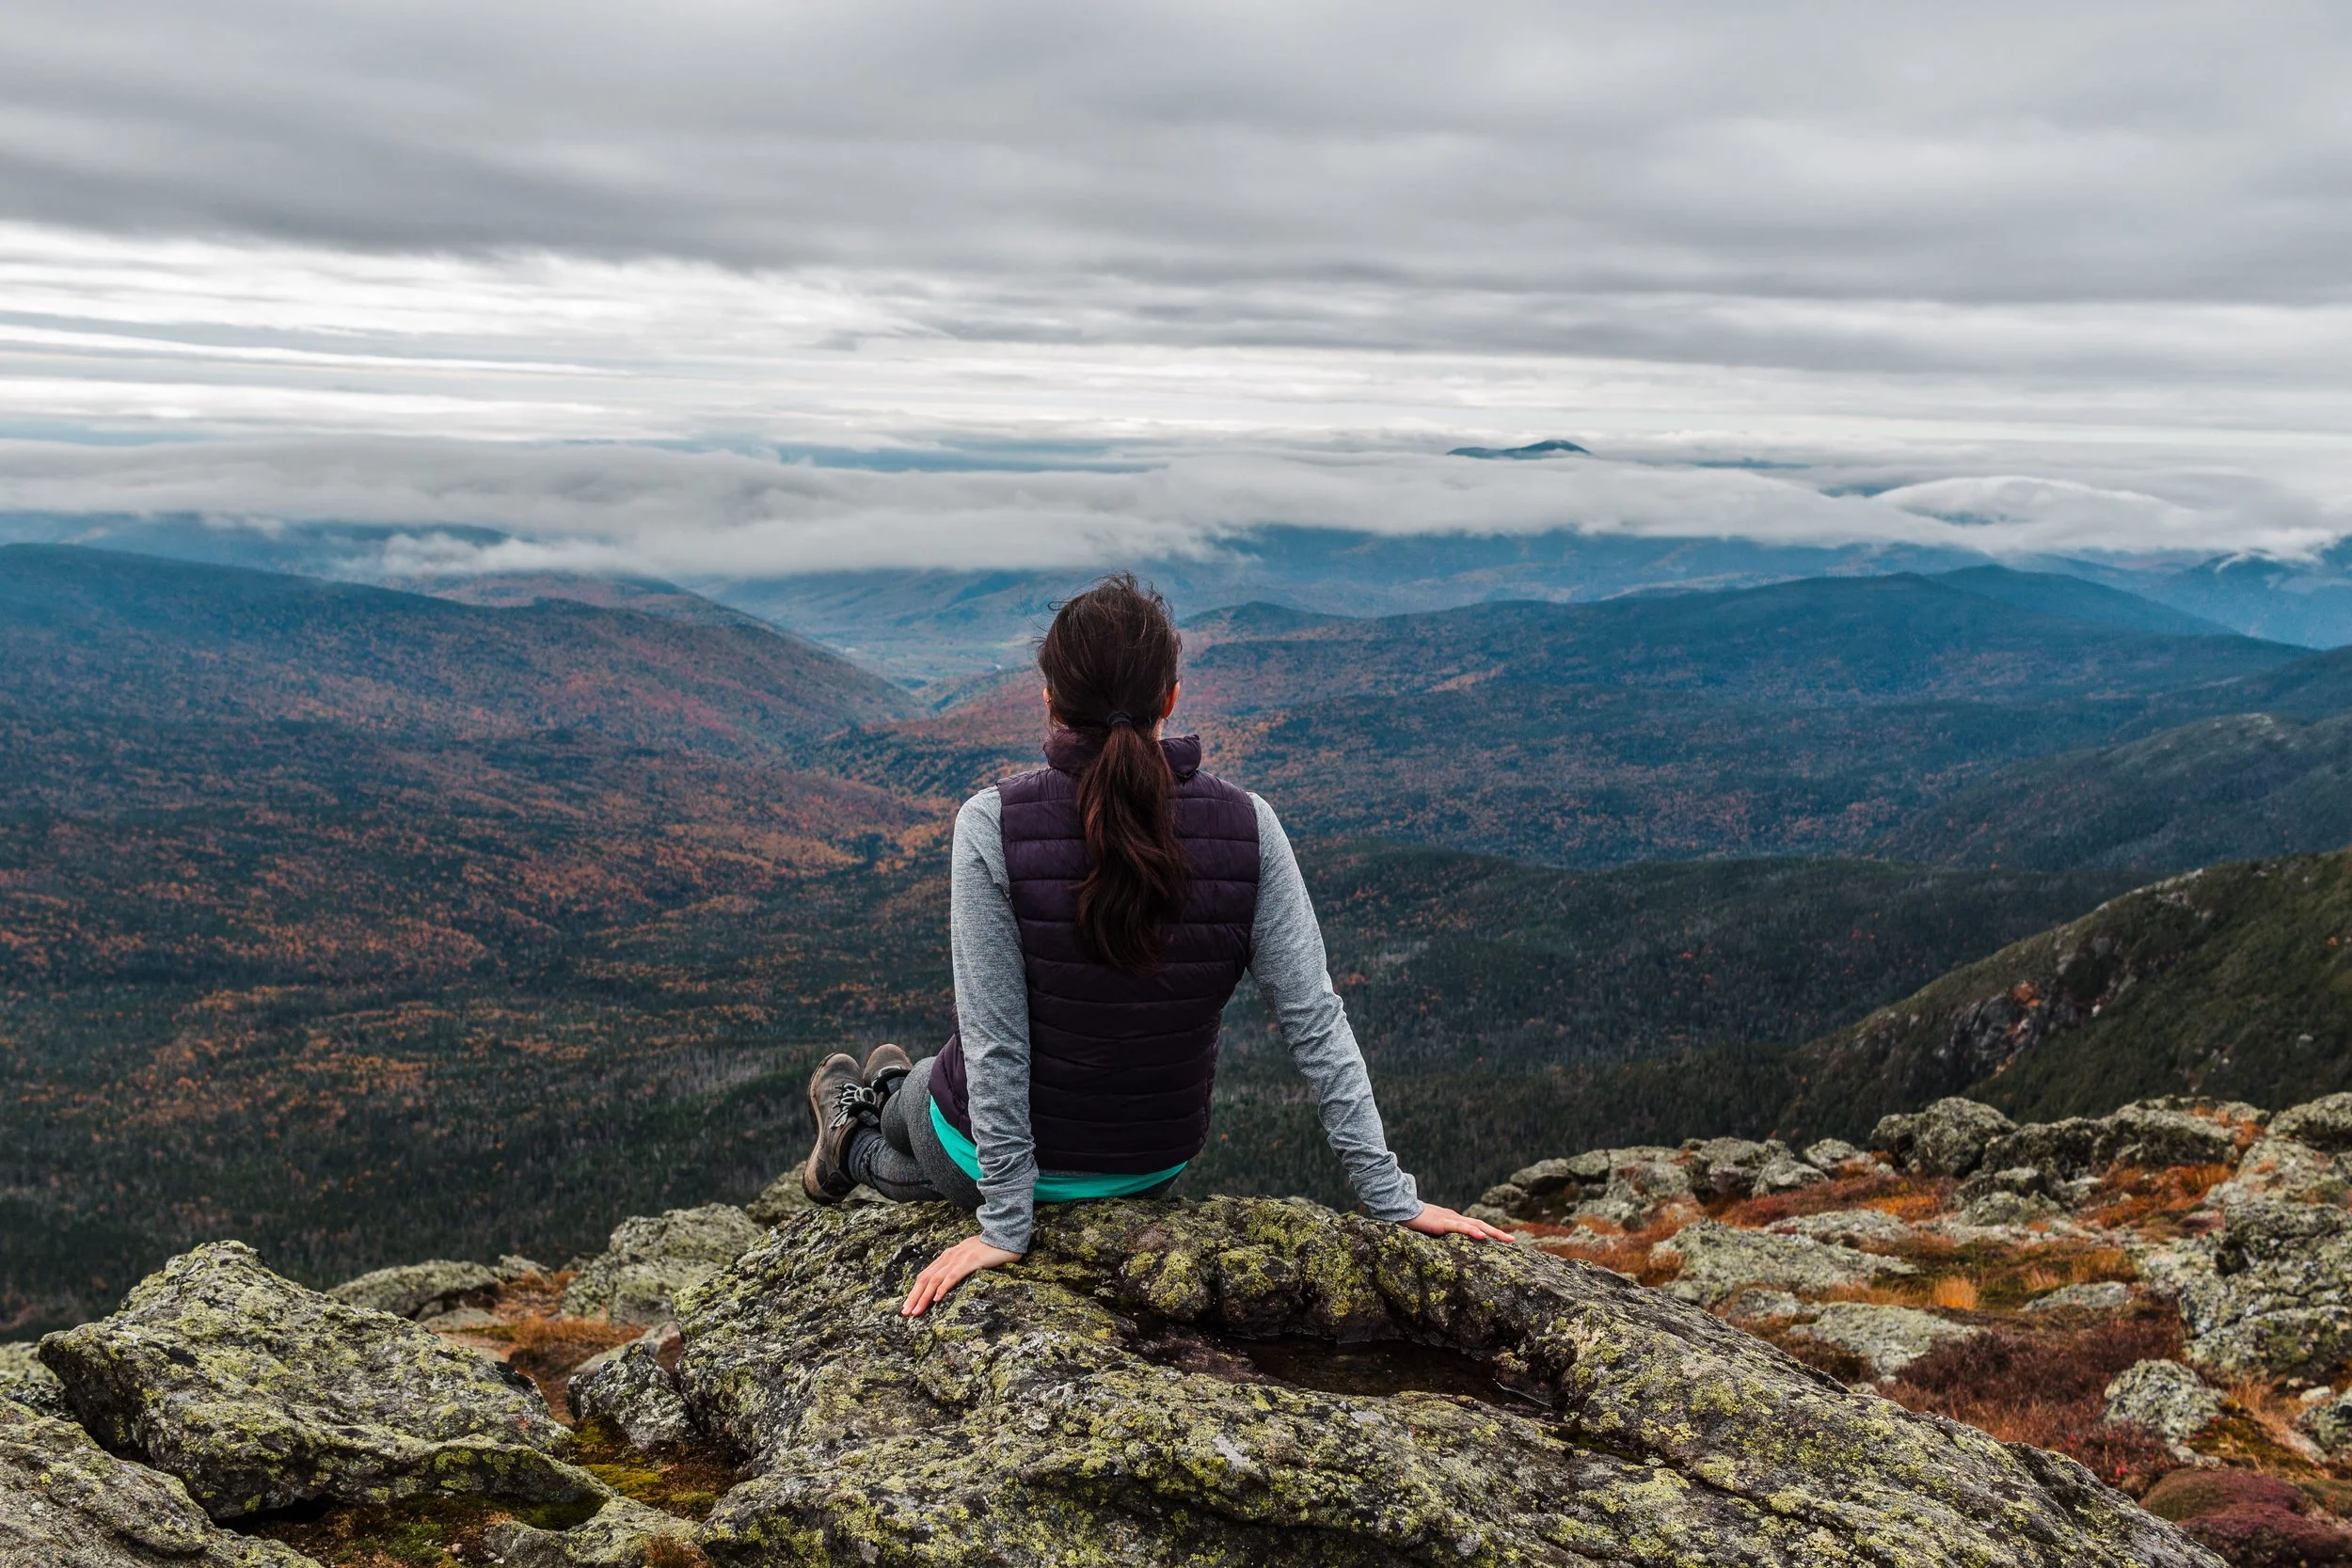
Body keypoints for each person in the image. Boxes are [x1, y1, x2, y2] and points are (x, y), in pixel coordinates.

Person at [800, 574, 1513, 1317]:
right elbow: (1315, 1021)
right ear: (1171, 697)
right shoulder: (1251, 826)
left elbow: (995, 1043)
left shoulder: (990, 824)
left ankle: (849, 1134)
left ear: (1050, 701)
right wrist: (1391, 1197)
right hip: (1150, 1166)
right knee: (914, 1084)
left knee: (910, 1107)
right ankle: (879, 1089)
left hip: (997, 1162)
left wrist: (1008, 1224)